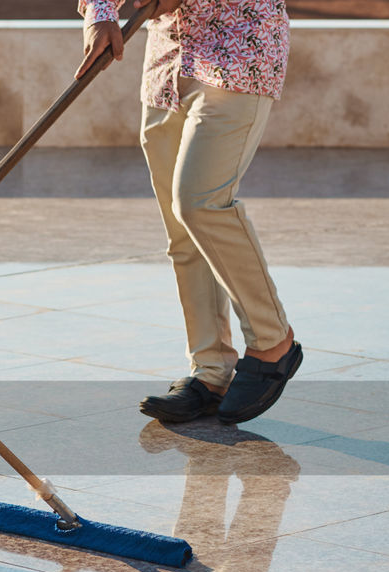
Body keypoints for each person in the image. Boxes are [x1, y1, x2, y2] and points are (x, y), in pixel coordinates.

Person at [78, 0, 301, 424]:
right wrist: (101, 14)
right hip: (167, 63)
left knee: (200, 204)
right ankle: (210, 370)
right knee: (183, 232)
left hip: (238, 53)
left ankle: (273, 341)